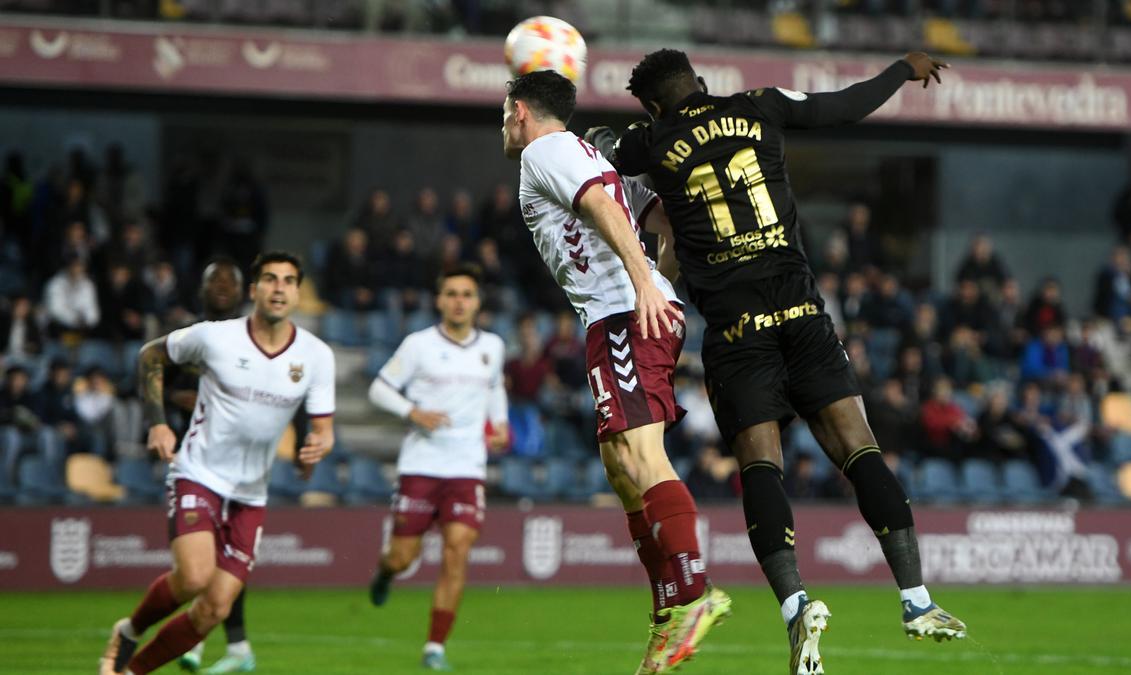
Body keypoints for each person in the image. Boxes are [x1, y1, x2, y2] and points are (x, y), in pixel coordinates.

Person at [602, 48, 966, 674]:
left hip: (738, 333)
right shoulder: (761, 106)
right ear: (703, 82)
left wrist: (600, 135)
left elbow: (594, 156)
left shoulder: (652, 140)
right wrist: (901, 70)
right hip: (802, 315)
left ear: (655, 104)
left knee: (761, 468)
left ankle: (796, 605)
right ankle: (917, 600)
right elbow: (844, 106)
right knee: (861, 451)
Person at [502, 70, 730, 674]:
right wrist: (660, 282)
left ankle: (695, 592)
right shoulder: (590, 154)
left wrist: (643, 288)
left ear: (521, 111)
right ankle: (665, 615)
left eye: (505, 112)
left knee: (639, 456)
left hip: (623, 311)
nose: (503, 124)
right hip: (622, 313)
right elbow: (668, 223)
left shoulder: (544, 150)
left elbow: (600, 206)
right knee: (620, 468)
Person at [98, 252, 335, 675]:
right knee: (192, 577)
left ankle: (130, 672)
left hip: (250, 495)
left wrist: (319, 442)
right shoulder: (215, 337)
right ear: (254, 290)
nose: (279, 288)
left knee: (215, 609)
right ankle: (130, 630)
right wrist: (158, 424)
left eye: (288, 281)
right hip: (200, 474)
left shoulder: (317, 356)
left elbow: (322, 425)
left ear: (298, 293)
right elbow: (151, 356)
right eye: (269, 279)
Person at [365, 264, 509, 671]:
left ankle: (434, 647)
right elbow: (379, 388)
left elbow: (494, 387)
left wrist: (499, 424)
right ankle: (385, 572)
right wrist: (413, 411)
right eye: (452, 294)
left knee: (456, 552)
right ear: (440, 300)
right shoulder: (418, 345)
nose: (459, 301)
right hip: (422, 465)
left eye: (467, 294)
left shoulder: (493, 347)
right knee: (401, 556)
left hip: (467, 468)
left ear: (477, 302)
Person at [169, 258, 258, 673]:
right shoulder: (186, 336)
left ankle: (213, 645)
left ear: (242, 291)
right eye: (214, 280)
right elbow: (147, 376)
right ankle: (228, 645)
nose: (222, 286)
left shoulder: (254, 340)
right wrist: (173, 403)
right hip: (187, 457)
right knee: (200, 560)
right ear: (201, 289)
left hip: (237, 465)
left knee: (223, 560)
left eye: (230, 279)